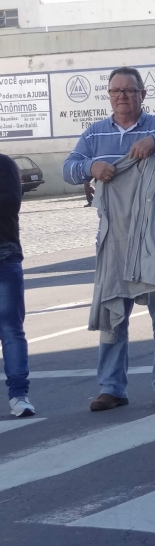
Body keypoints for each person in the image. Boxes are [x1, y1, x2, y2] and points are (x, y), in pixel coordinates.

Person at [63, 67, 155, 412]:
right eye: (116, 91)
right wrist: (91, 168)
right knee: (113, 314)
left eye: (129, 90)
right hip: (114, 239)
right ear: (108, 95)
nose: (122, 96)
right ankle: (111, 388)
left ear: (143, 94)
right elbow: (68, 168)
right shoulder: (94, 135)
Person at [0, 154, 34, 417]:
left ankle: (18, 394)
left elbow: (10, 202)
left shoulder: (4, 164)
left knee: (11, 329)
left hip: (4, 257)